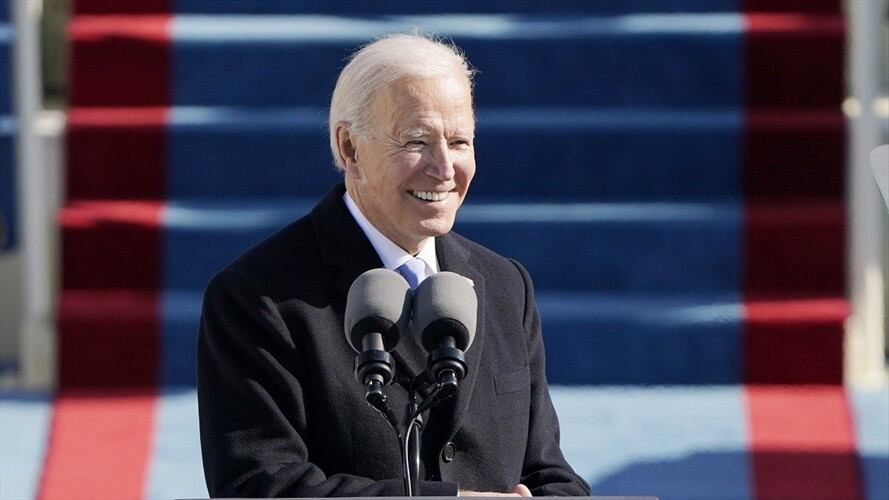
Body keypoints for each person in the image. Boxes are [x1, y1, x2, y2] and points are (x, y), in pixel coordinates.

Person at [197, 33, 591, 498]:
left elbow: (550, 473)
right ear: (350, 149)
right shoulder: (257, 297)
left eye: (460, 141)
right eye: (416, 141)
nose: (444, 168)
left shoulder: (505, 285)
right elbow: (263, 486)